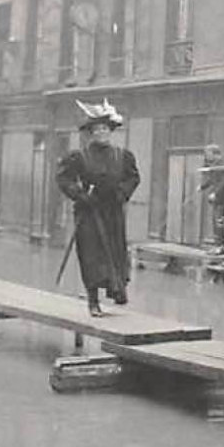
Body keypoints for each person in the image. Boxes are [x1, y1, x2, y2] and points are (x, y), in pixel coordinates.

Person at [56, 100, 140, 317]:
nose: (101, 133)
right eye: (97, 130)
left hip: (112, 212)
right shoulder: (79, 156)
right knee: (91, 256)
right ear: (91, 133)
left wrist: (122, 193)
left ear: (110, 131)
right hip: (89, 213)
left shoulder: (123, 156)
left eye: (105, 129)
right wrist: (80, 195)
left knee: (115, 252)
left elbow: (133, 178)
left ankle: (117, 289)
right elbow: (64, 178)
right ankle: (93, 301)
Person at [199, 143, 224, 252]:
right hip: (217, 199)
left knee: (219, 222)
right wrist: (202, 187)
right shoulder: (214, 165)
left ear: (215, 154)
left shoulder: (223, 164)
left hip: (223, 199)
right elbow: (212, 179)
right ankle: (217, 245)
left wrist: (216, 193)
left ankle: (221, 246)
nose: (206, 156)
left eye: (208, 153)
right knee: (216, 222)